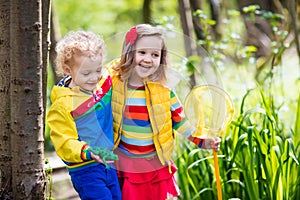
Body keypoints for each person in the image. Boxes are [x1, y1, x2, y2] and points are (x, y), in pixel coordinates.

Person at [110, 24, 220, 200]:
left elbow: (180, 121)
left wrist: (201, 141)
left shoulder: (163, 90)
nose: (148, 59)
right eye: (142, 52)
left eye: (155, 54)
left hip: (155, 163)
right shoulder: (115, 85)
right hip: (127, 162)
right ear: (130, 53)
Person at [47, 30, 121, 200]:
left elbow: (118, 67)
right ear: (67, 70)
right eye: (86, 73)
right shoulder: (63, 104)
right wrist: (87, 151)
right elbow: (64, 142)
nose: (94, 78)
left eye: (98, 70)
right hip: (86, 169)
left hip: (109, 163)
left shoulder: (103, 83)